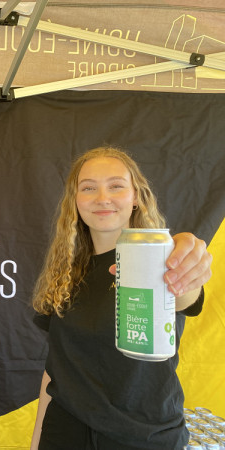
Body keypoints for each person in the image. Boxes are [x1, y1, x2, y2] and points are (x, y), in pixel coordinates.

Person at [29, 147, 213, 450]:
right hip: (66, 431)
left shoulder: (160, 257)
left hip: (144, 438)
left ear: (136, 197)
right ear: (75, 202)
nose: (103, 197)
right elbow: (56, 371)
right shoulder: (65, 273)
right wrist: (36, 443)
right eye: (88, 188)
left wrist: (185, 253)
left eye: (116, 185)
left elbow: (185, 290)